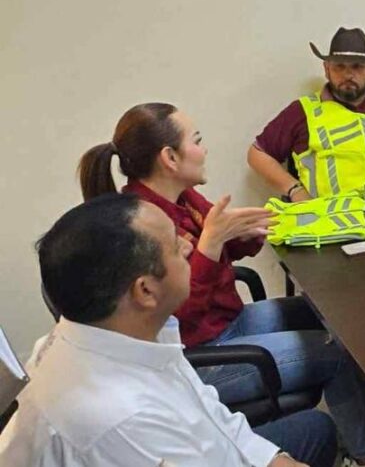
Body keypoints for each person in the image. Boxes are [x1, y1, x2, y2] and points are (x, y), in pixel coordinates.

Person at [77, 103, 365, 465]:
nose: (204, 148)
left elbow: (230, 241)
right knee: (335, 357)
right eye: (196, 141)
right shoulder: (145, 224)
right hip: (202, 353)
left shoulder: (182, 197)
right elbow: (178, 318)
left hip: (226, 321)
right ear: (170, 158)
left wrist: (254, 228)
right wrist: (210, 244)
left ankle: (362, 419)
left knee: (326, 311)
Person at [0, 193, 336, 467]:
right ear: (144, 290)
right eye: (176, 246)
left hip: (208, 448)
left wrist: (273, 458)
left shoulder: (126, 328)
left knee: (316, 428)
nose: (190, 247)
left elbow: (204, 406)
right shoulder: (120, 421)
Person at [249, 27, 365, 202]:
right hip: (332, 225)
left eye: (357, 67)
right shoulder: (304, 111)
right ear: (327, 69)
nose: (348, 74)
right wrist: (294, 190)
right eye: (339, 67)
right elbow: (257, 153)